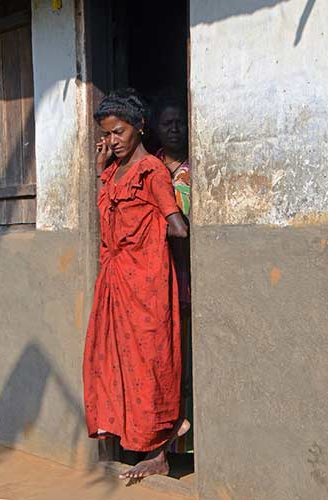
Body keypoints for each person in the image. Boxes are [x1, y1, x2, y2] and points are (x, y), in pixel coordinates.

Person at [83, 89, 190, 480]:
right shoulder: (113, 172)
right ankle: (135, 441)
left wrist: (158, 235)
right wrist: (100, 170)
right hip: (116, 285)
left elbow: (178, 226)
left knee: (152, 363)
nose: (112, 141)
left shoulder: (152, 172)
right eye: (107, 134)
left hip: (145, 286)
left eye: (119, 132)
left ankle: (159, 450)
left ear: (140, 127)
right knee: (116, 363)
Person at [153, 94, 193, 453]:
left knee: (187, 358)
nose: (176, 128)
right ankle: (160, 446)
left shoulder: (195, 169)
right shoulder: (150, 169)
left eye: (181, 121)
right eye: (168, 123)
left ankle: (186, 448)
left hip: (187, 274)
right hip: (155, 276)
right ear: (155, 127)